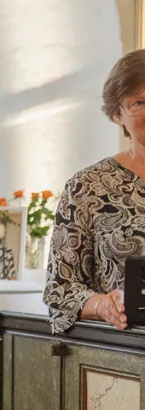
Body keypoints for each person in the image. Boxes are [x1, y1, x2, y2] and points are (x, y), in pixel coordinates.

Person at [45, 50, 145, 334]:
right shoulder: (87, 186)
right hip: (128, 354)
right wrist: (102, 304)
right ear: (118, 114)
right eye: (139, 102)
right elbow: (59, 289)